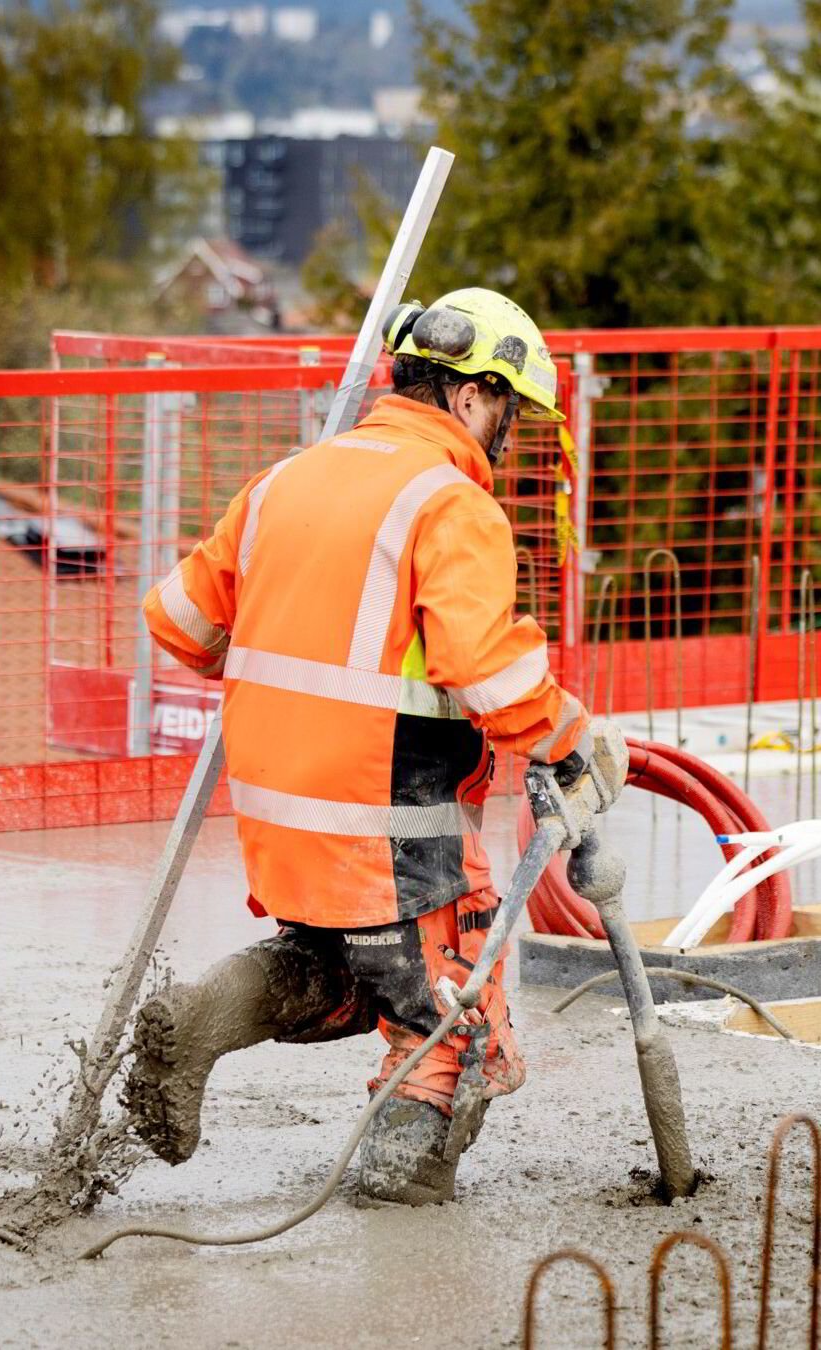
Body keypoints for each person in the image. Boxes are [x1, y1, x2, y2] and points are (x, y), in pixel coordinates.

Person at [123, 288, 627, 1205]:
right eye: (511, 411)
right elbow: (488, 669)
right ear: (474, 396)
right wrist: (572, 740)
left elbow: (179, 622)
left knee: (339, 975)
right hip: (391, 819)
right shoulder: (451, 502)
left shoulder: (288, 479)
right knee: (453, 1027)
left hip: (283, 815)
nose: (509, 435)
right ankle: (401, 1188)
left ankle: (200, 1016)